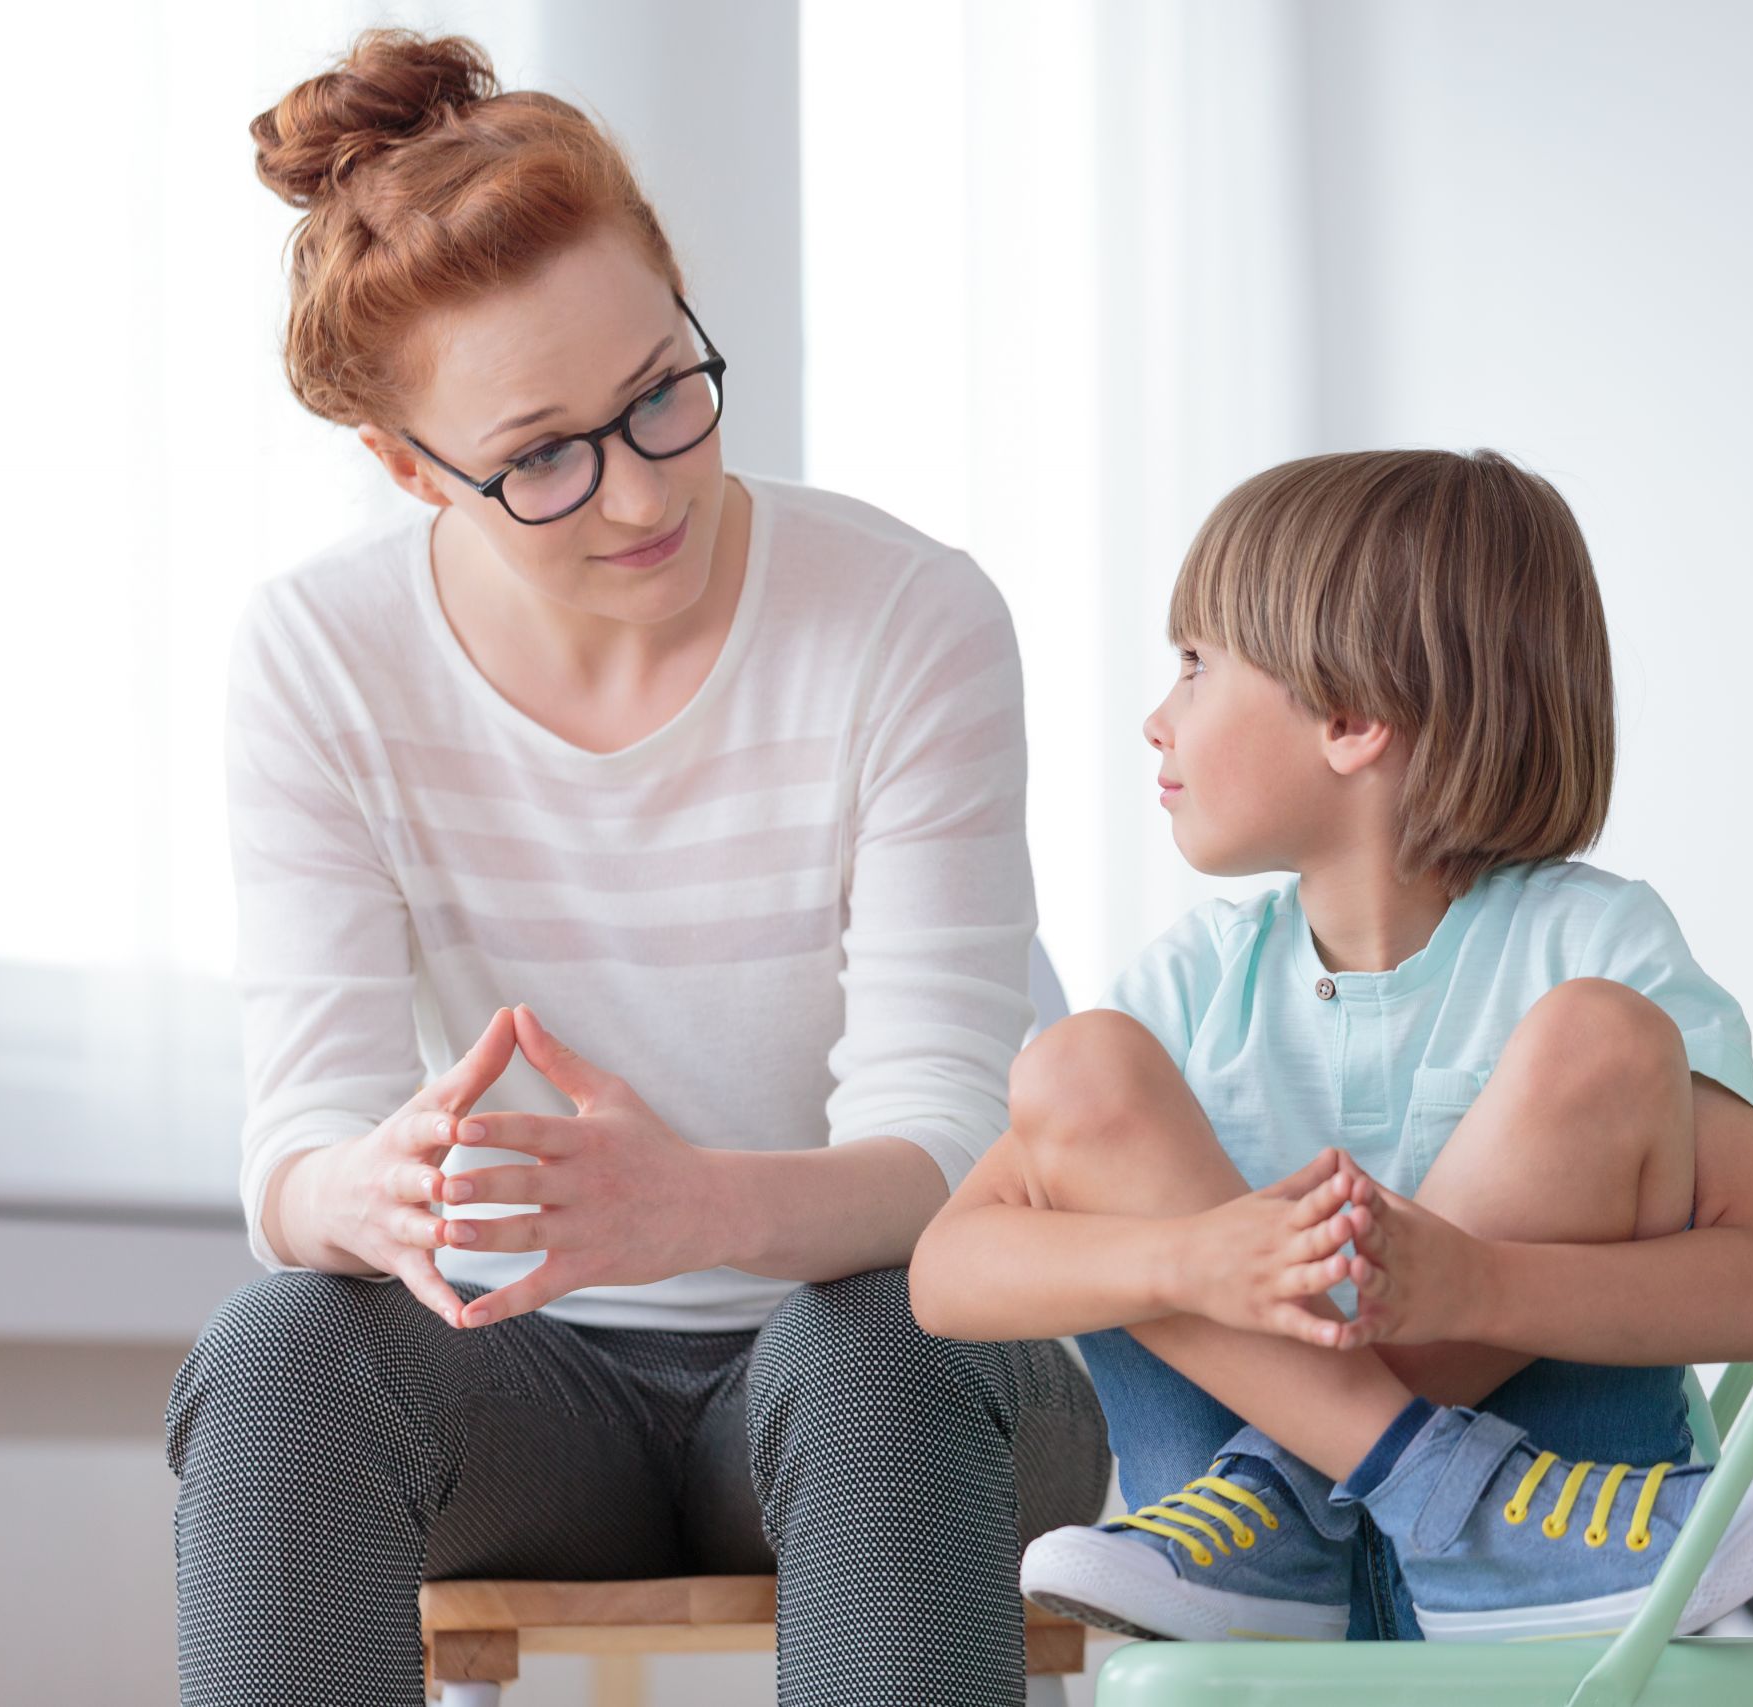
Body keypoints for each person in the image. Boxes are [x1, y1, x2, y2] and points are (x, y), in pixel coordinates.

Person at [162, 29, 1106, 1707]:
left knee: (878, 1336)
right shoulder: (321, 656)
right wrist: (358, 1188)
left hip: (884, 1364)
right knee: (284, 1345)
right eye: (543, 456)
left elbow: (951, 1154)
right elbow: (294, 1150)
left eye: (665, 390)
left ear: (683, 304)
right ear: (407, 467)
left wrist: (700, 1206)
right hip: (526, 1391)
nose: (644, 490)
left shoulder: (908, 619)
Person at [909, 448, 1753, 1643]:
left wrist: (1481, 1281)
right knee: (1077, 1065)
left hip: (1570, 1565)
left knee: (1597, 1035)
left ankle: (1320, 1503)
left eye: (1196, 666)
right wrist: (1192, 1259)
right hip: (1242, 1585)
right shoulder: (1188, 988)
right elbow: (947, 1273)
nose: (1157, 718)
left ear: (1349, 719)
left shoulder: (1595, 950)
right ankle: (1381, 1507)